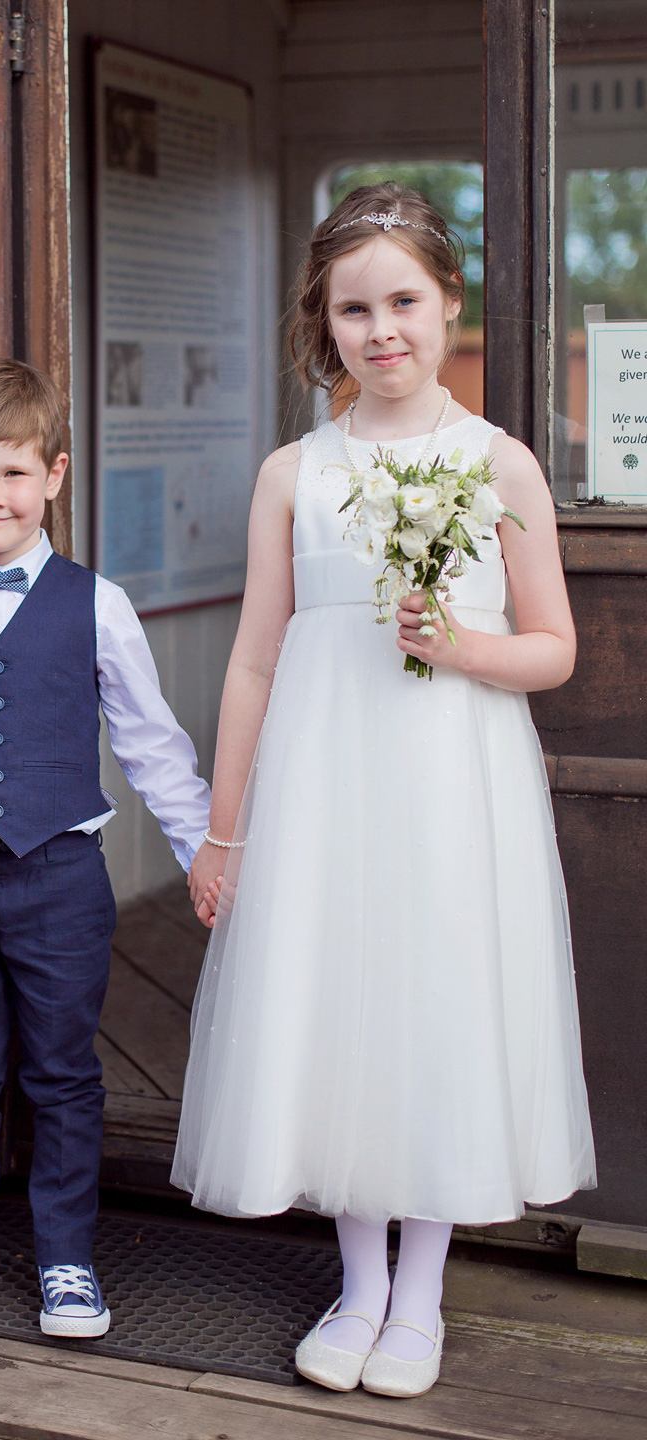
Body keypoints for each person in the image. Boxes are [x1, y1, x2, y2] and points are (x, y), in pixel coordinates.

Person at [172, 183, 595, 1398]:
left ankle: (422, 1296)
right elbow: (256, 657)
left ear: (448, 304)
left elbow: (553, 647)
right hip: (324, 782)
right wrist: (225, 829)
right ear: (327, 322)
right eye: (354, 308)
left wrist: (463, 644)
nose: (381, 328)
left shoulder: (498, 463)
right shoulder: (293, 473)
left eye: (403, 299)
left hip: (449, 784)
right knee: (341, 998)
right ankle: (357, 1284)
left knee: (434, 997)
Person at [0, 357, 210, 1336]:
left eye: (13, 474)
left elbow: (151, 743)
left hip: (62, 877)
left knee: (62, 1071)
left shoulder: (96, 604)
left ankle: (65, 1260)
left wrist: (203, 853)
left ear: (54, 476)